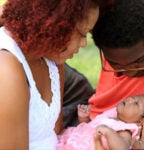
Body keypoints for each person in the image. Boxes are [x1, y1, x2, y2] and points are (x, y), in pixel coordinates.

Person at [0, 0, 100, 149]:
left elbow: (54, 135)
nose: (84, 44)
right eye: (82, 34)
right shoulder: (7, 69)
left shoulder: (51, 61)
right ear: (55, 25)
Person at [91, 0, 144, 149]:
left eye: (138, 61)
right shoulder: (113, 42)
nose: (128, 70)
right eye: (116, 64)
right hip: (89, 127)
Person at [57, 94, 144, 150]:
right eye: (133, 97)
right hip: (67, 141)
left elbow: (122, 148)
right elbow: (91, 128)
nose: (130, 99)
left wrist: (109, 132)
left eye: (136, 103)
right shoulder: (111, 115)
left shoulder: (125, 130)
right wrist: (84, 118)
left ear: (141, 121)